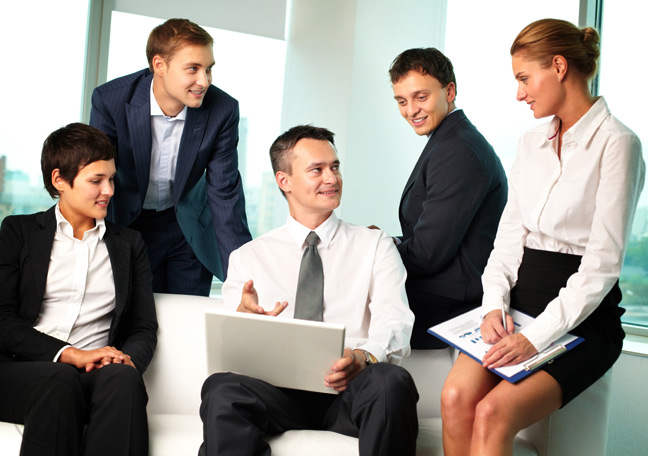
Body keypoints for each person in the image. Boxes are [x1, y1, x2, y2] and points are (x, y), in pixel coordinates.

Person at [440, 19, 645, 456]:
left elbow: (602, 265)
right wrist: (494, 303)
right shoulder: (530, 143)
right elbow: (508, 239)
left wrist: (536, 337)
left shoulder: (618, 144)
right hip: (517, 303)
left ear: (558, 66)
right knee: (455, 397)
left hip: (583, 318)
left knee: (492, 413)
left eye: (523, 78)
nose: (519, 93)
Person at [199, 125, 418, 456]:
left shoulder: (375, 244)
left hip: (350, 389)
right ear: (284, 181)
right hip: (278, 394)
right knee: (221, 389)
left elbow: (395, 320)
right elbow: (231, 351)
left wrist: (363, 357)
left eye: (335, 167)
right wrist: (243, 321)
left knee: (391, 382)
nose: (331, 178)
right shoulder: (249, 256)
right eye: (317, 170)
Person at [0, 123, 158, 455]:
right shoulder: (18, 231)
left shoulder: (129, 245)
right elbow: (2, 319)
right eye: (96, 181)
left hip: (92, 375)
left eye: (111, 179)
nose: (109, 190)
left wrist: (124, 360)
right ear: (59, 180)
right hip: (20, 369)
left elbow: (142, 326)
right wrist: (71, 354)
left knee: (125, 381)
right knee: (59, 379)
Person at [90, 18, 251, 296]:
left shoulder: (223, 110)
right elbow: (94, 176)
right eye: (193, 69)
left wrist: (245, 280)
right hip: (128, 222)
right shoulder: (111, 101)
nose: (205, 81)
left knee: (186, 320)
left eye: (209, 69)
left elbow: (224, 195)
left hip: (186, 230)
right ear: (159, 65)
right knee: (133, 322)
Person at [385, 48, 508, 348]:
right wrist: (393, 242)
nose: (410, 110)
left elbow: (428, 253)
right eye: (402, 101)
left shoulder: (457, 150)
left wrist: (374, 251)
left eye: (420, 97)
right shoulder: (448, 141)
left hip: (451, 303)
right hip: (442, 290)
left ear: (449, 91)